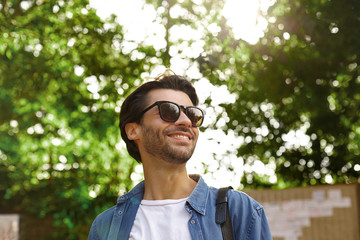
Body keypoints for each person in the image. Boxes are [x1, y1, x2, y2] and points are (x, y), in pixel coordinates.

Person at [88, 70, 272, 240]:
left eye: (192, 115)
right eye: (168, 110)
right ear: (133, 131)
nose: (185, 121)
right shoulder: (106, 226)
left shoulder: (240, 211)